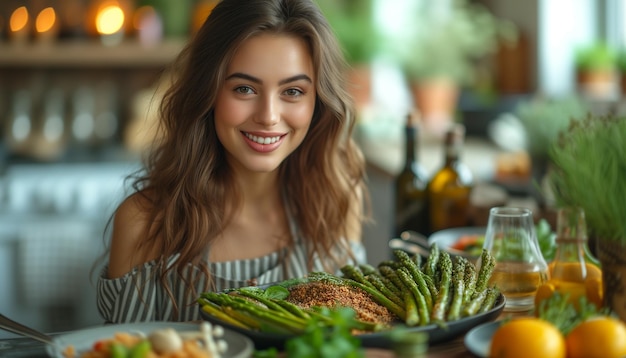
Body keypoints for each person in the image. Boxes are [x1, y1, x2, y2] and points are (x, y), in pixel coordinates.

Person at [96, 0, 370, 323]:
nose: (268, 116)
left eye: (293, 91)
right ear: (208, 92)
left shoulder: (338, 202)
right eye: (244, 88)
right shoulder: (146, 222)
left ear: (319, 101)